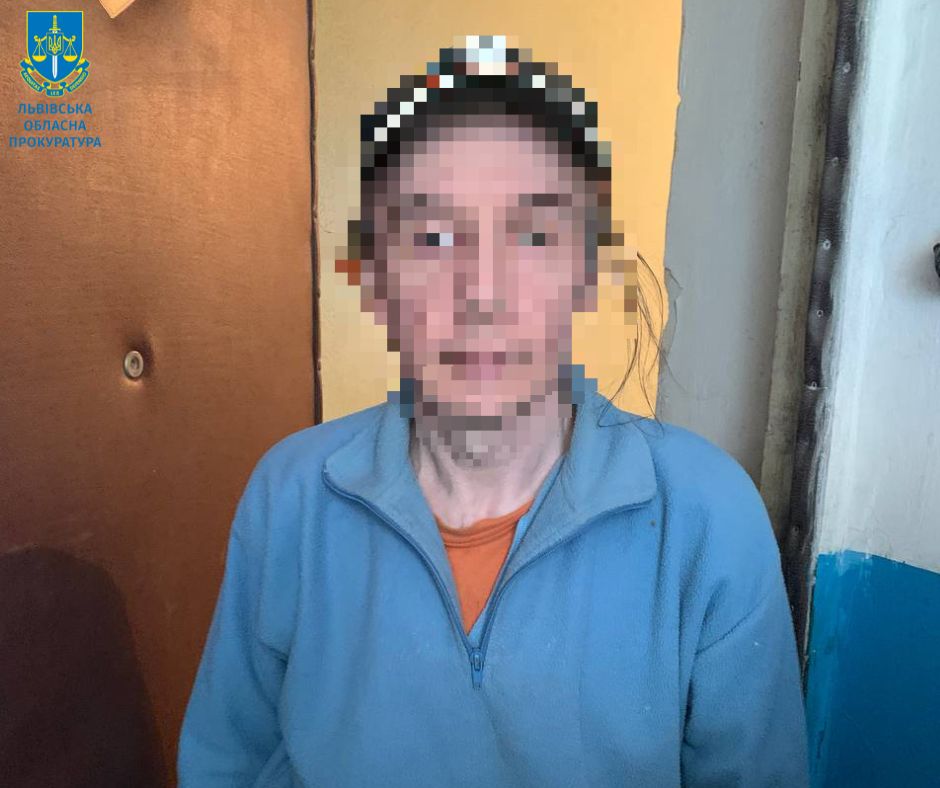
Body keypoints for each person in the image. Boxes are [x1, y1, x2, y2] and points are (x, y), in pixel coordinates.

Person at [177, 35, 810, 787]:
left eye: (533, 234)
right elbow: (226, 761)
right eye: (434, 236)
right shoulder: (291, 498)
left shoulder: (705, 520)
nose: (481, 292)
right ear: (377, 278)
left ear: (584, 271)